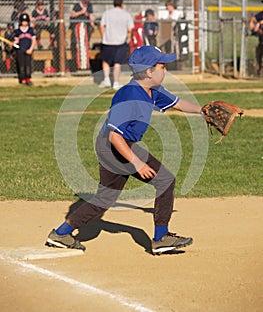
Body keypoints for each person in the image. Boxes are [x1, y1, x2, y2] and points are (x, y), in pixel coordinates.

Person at [45, 45, 203, 255]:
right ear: (148, 71)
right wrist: (138, 163)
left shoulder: (151, 90)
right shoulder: (129, 96)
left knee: (118, 194)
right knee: (157, 181)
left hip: (123, 146)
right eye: (162, 66)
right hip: (113, 147)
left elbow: (177, 103)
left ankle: (61, 234)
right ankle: (160, 238)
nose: (165, 70)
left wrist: (203, 111)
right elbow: (115, 136)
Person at [99, 0, 134, 90]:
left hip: (107, 41)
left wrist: (103, 37)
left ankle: (106, 79)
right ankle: (115, 83)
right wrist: (127, 38)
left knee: (106, 61)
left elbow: (101, 25)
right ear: (122, 4)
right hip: (120, 42)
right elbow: (130, 28)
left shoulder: (107, 13)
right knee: (117, 62)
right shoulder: (126, 14)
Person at [69, 0, 95, 71]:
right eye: (85, 2)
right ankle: (80, 64)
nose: (86, 4)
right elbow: (72, 15)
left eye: (87, 2)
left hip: (86, 25)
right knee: (78, 43)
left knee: (89, 30)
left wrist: (92, 23)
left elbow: (91, 16)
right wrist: (81, 12)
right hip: (78, 24)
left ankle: (86, 43)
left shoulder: (89, 6)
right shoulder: (77, 5)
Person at [13, 13, 36, 85]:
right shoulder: (18, 31)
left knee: (28, 65)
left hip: (28, 50)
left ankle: (28, 79)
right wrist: (13, 44)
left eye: (26, 21)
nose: (24, 23)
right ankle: (22, 79)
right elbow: (16, 41)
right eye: (23, 21)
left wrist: (31, 49)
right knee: (21, 65)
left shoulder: (30, 30)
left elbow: (33, 40)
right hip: (20, 51)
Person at [249, 1, 263, 76]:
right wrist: (251, 22)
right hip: (261, 38)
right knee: (258, 51)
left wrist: (259, 23)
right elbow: (254, 18)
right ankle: (259, 68)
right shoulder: (261, 14)